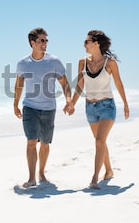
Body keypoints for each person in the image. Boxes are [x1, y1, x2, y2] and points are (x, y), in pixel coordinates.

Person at [69, 30, 130, 189]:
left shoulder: (110, 63)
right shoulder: (82, 62)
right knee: (100, 142)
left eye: (87, 41)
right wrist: (72, 103)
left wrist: (125, 103)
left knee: (99, 141)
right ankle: (109, 170)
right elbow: (80, 84)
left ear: (96, 43)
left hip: (107, 107)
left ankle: (95, 178)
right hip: (90, 107)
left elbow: (118, 83)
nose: (84, 44)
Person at [14, 27, 73, 188]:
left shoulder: (54, 61)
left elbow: (64, 82)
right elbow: (19, 85)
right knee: (32, 141)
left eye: (46, 40)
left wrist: (69, 100)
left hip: (48, 108)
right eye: (42, 40)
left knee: (45, 143)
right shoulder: (23, 63)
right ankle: (32, 177)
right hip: (30, 107)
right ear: (32, 43)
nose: (45, 43)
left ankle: (41, 172)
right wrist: (15, 104)